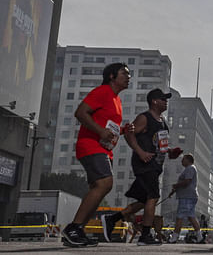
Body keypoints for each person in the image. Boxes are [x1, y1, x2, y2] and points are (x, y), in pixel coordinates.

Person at [62, 63, 132, 247]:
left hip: (104, 148)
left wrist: (123, 130)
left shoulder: (116, 99)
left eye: (129, 74)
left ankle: (78, 231)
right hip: (91, 145)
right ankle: (73, 228)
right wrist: (100, 131)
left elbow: (110, 128)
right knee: (105, 183)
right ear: (111, 76)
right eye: (124, 73)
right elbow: (80, 113)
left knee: (99, 188)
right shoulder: (102, 91)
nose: (128, 76)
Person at [100, 88, 181, 246]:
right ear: (154, 101)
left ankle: (111, 219)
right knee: (153, 197)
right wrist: (141, 152)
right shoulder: (145, 118)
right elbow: (129, 134)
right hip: (144, 164)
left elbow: (159, 144)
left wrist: (170, 152)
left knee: (143, 201)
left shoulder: (163, 122)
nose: (166, 101)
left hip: (155, 165)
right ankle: (145, 236)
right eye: (163, 99)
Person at [168, 154, 204, 243]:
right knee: (191, 217)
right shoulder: (189, 169)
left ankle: (174, 237)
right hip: (189, 196)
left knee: (179, 217)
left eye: (183, 159)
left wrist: (176, 185)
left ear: (188, 160)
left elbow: (187, 181)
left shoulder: (190, 168)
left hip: (187, 197)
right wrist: (174, 190)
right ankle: (200, 237)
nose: (181, 161)